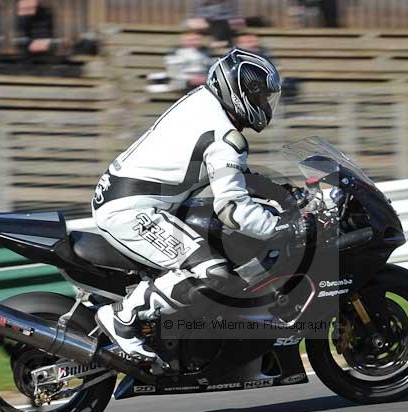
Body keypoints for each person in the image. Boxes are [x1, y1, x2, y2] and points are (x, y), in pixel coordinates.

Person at [92, 48, 304, 364]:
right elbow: (233, 210)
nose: (264, 105)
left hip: (133, 198)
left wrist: (282, 194)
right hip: (131, 210)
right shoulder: (224, 137)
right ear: (240, 93)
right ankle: (123, 318)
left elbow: (231, 175)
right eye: (260, 97)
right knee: (212, 273)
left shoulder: (203, 101)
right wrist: (284, 226)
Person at [146, 30, 212, 93]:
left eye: (196, 40)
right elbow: (173, 72)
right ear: (184, 40)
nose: (194, 42)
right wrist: (190, 79)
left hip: (202, 81)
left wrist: (205, 78)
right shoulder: (175, 52)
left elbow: (209, 67)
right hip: (183, 82)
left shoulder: (205, 51)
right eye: (190, 40)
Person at [15, 0, 56, 65]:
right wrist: (25, 15)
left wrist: (43, 41)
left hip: (43, 53)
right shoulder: (21, 11)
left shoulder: (46, 11)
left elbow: (46, 30)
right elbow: (20, 33)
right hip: (26, 55)